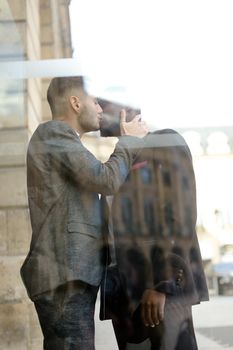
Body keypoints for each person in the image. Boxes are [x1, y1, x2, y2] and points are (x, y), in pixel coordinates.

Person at [20, 76, 148, 350]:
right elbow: (105, 179)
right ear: (75, 103)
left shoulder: (65, 140)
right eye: (95, 101)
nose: (100, 109)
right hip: (63, 275)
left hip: (69, 275)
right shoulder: (53, 133)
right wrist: (129, 142)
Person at [99, 105, 209, 350]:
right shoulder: (119, 160)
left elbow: (181, 214)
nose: (96, 112)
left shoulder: (164, 142)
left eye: (100, 106)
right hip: (124, 294)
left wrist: (163, 283)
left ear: (120, 113)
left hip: (158, 289)